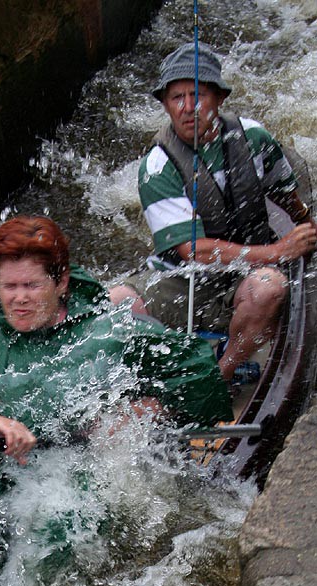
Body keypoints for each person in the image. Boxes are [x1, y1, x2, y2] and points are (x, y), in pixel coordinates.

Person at [0, 215, 232, 571]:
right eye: (9, 286)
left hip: (71, 470)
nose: (19, 298)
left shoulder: (105, 329)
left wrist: (142, 410)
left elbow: (192, 371)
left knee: (60, 529)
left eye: (32, 286)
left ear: (61, 282)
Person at [110, 43, 317, 381]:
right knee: (116, 302)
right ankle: (161, 373)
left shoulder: (253, 138)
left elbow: (286, 194)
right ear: (165, 105)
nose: (189, 108)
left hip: (249, 274)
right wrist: (279, 250)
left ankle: (220, 376)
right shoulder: (157, 166)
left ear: (219, 99)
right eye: (177, 98)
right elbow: (193, 250)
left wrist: (305, 229)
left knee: (269, 288)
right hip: (182, 278)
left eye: (199, 95)